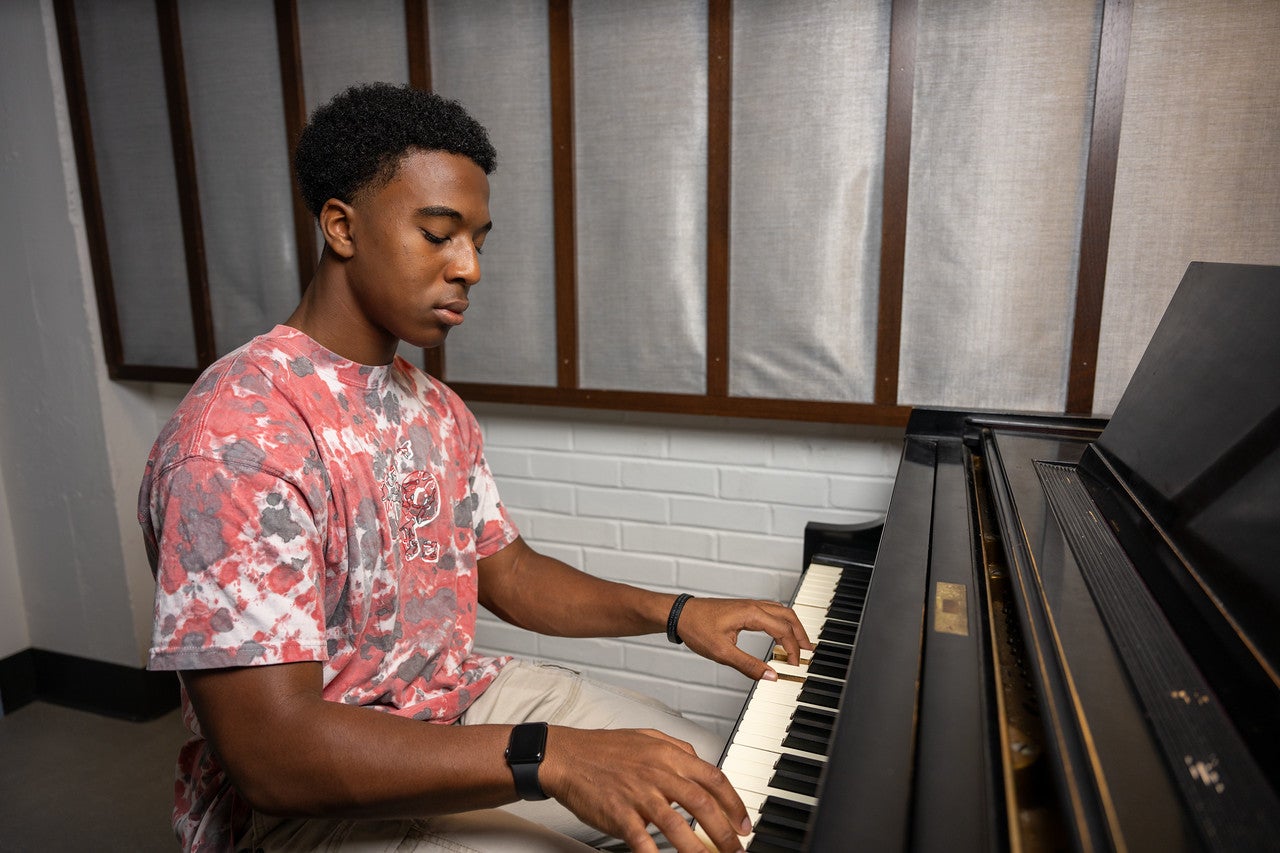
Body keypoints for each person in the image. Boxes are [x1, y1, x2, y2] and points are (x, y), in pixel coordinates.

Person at [140, 82, 812, 853]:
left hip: (455, 702)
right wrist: (548, 756)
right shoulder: (237, 437)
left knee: (713, 786)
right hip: (312, 799)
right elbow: (274, 757)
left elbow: (507, 569)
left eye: (479, 241)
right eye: (438, 234)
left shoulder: (435, 408)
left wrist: (676, 611)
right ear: (341, 226)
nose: (470, 268)